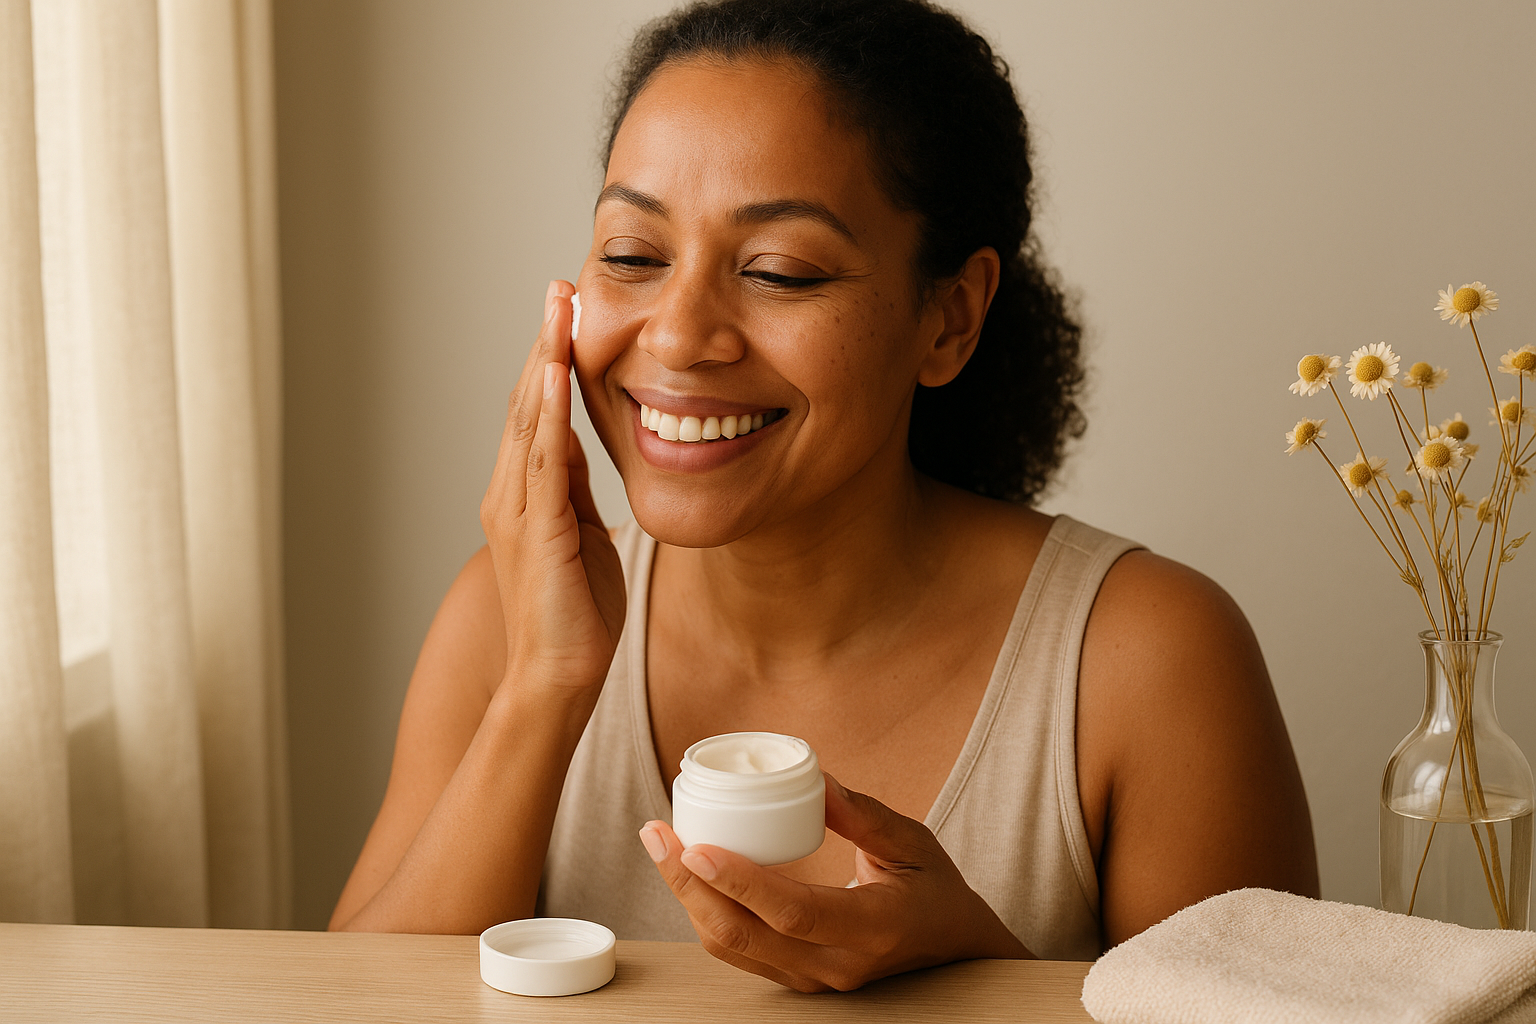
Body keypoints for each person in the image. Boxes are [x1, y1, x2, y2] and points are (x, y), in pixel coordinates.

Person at [328, 0, 1318, 991]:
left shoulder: (1148, 663)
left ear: (949, 317)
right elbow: (341, 1011)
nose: (676, 336)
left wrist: (974, 967)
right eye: (632, 254)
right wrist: (543, 687)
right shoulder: (503, 620)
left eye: (779, 271)